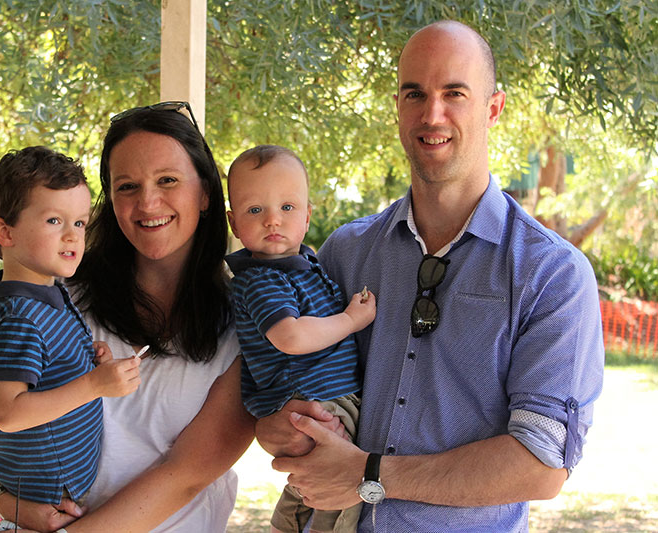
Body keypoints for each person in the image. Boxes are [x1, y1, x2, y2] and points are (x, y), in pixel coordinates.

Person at [256, 20, 604, 532]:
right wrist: (283, 427)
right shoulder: (343, 254)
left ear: (493, 108)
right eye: (414, 93)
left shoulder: (550, 273)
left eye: (454, 93)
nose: (431, 113)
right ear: (397, 106)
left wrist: (368, 475)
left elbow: (542, 463)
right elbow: (271, 407)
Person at [0, 102, 255, 533]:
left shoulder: (247, 321)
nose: (147, 202)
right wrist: (7, 501)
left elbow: (185, 475)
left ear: (206, 192)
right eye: (127, 186)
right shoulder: (55, 294)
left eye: (167, 180)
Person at [0, 146, 142, 532]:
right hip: (35, 509)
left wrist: (89, 356)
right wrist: (94, 384)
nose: (72, 235)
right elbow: (9, 414)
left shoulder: (48, 294)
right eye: (54, 220)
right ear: (5, 231)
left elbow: (44, 365)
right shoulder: (19, 315)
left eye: (80, 223)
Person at [224, 145, 376, 533]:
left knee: (314, 479)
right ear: (234, 223)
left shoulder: (304, 264)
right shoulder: (262, 279)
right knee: (344, 488)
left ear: (308, 216)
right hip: (314, 401)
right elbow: (290, 336)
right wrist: (350, 320)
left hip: (330, 397)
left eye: (287, 208)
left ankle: (284, 526)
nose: (273, 219)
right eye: (255, 210)